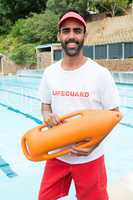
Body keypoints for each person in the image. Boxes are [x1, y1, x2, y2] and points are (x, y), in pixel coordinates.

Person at [38, 9, 120, 200]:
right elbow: (45, 106)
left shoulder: (100, 74)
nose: (71, 36)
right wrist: (47, 116)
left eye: (77, 30)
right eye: (66, 31)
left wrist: (93, 144)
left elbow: (114, 115)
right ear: (59, 35)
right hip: (57, 155)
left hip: (91, 158)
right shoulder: (49, 73)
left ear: (84, 35)